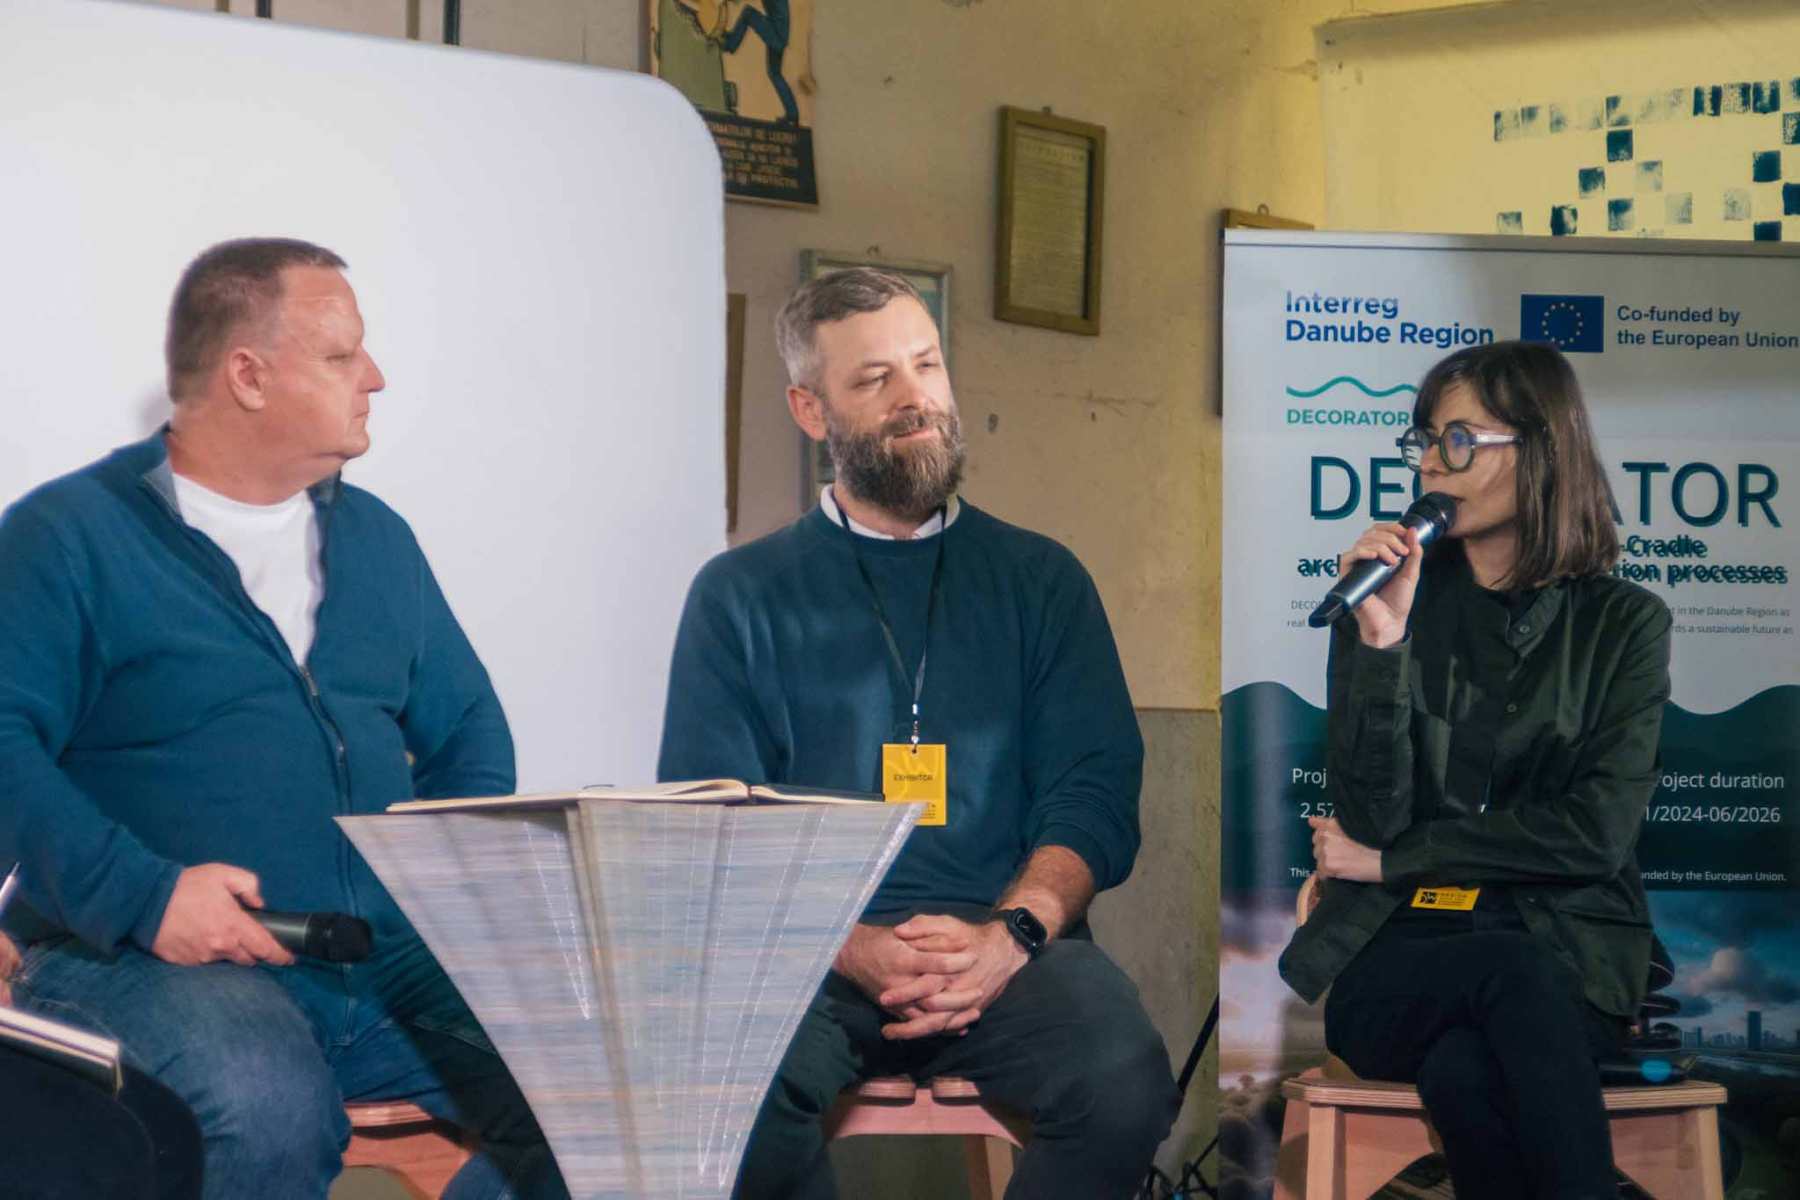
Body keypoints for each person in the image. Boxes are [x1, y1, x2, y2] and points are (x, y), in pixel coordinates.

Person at [0, 239, 567, 1200]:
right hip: (136, 958)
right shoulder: (69, 536)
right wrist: (147, 899)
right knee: (264, 1100)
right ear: (249, 376)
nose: (375, 377)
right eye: (342, 355)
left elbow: (469, 726)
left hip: (377, 961)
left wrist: (447, 884)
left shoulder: (378, 539)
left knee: (601, 1078)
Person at [659, 267, 1179, 1199]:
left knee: (1123, 1076)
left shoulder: (1042, 582)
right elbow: (715, 824)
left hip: (1010, 951)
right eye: (874, 379)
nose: (915, 398)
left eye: (927, 365)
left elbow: (1095, 792)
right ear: (810, 410)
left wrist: (1013, 931)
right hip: (809, 960)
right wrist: (849, 941)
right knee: (722, 1091)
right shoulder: (738, 596)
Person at [1279, 340, 1671, 1200]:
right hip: (1403, 960)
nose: (1429, 463)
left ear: (1540, 450)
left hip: (1565, 958)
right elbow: (1371, 814)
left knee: (1464, 1070)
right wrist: (1383, 645)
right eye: (1423, 439)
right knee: (1504, 980)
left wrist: (1398, 859)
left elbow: (1595, 834)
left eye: (1456, 440)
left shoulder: (1625, 625)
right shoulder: (1394, 601)